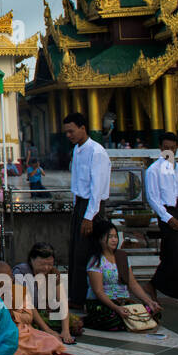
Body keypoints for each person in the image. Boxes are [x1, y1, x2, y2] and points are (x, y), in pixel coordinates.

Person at [144, 131, 178, 313]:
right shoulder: (153, 170)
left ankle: (153, 284)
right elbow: (153, 199)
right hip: (165, 214)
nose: (169, 151)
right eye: (166, 148)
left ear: (177, 149)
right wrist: (168, 218)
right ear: (160, 148)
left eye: (172, 149)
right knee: (176, 257)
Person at [63, 112, 110, 308]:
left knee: (87, 252)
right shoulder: (77, 149)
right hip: (80, 204)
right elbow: (78, 181)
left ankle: (86, 296)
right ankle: (77, 295)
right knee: (76, 251)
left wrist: (89, 216)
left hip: (93, 206)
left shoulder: (96, 152)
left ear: (83, 128)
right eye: (66, 132)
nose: (69, 135)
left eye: (71, 131)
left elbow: (96, 188)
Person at [84, 218, 161, 331]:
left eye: (115, 236)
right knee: (113, 319)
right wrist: (116, 308)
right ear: (100, 239)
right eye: (110, 237)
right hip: (102, 303)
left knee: (153, 312)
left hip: (123, 301)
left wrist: (149, 301)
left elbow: (133, 284)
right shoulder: (96, 261)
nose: (114, 240)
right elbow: (98, 291)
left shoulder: (122, 257)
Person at [0, 262, 74, 355]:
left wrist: (13, 314)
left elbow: (28, 317)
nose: (7, 280)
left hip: (21, 332)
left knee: (52, 341)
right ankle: (12, 354)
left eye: (9, 276)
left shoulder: (19, 291)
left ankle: (13, 354)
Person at [11, 242, 79, 342]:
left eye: (50, 264)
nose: (46, 268)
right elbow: (28, 304)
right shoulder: (21, 271)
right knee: (23, 325)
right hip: (26, 313)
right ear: (31, 259)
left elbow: (63, 301)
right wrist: (47, 330)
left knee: (75, 323)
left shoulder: (53, 273)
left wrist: (66, 330)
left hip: (43, 311)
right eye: (42, 264)